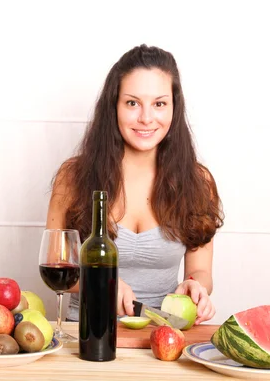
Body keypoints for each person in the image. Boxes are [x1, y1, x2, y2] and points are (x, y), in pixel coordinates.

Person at [45, 44, 224, 325]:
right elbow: (57, 270)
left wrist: (195, 286)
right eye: (132, 102)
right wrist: (100, 284)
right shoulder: (73, 177)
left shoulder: (199, 182)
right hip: (84, 336)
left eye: (159, 103)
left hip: (163, 335)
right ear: (113, 106)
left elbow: (200, 271)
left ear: (174, 109)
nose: (146, 117)